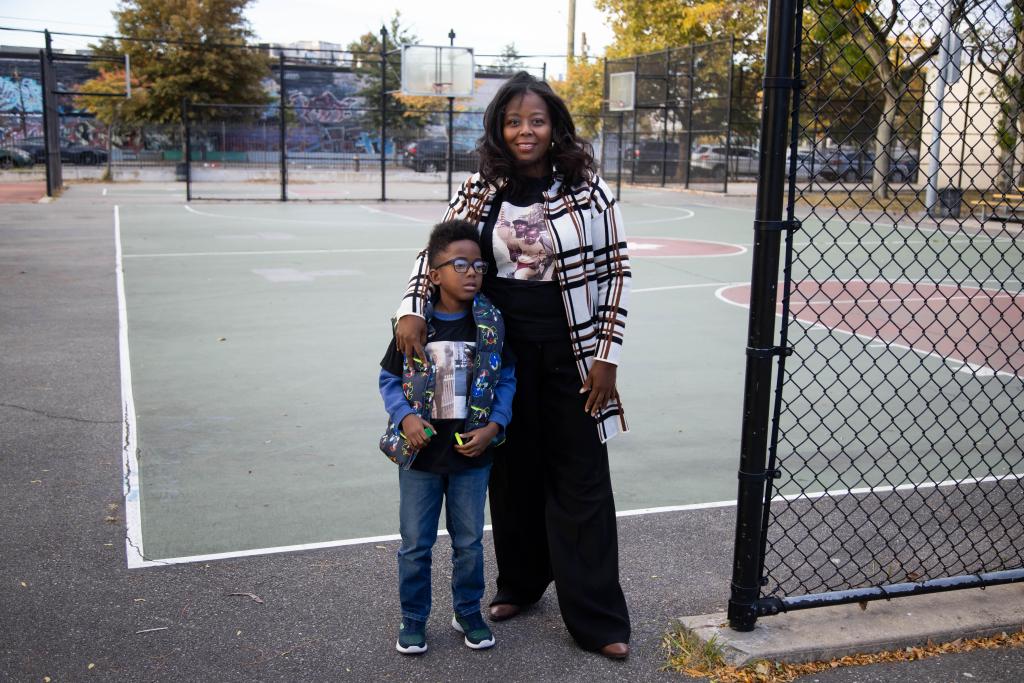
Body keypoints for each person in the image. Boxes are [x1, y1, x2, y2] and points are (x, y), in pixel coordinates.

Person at [393, 71, 632, 659]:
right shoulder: (481, 187)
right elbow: (436, 253)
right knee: (510, 471)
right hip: (497, 353)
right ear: (500, 128)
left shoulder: (588, 190)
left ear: (555, 128)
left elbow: (616, 273)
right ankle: (522, 584)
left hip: (571, 351)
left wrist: (607, 356)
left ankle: (598, 618)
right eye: (513, 121)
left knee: (580, 476)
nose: (525, 131)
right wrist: (410, 309)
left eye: (537, 120)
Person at [378, 219, 517, 655]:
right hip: (420, 459)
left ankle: (468, 612)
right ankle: (414, 619)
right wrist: (405, 419)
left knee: (469, 543)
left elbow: (508, 378)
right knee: (416, 545)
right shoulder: (415, 327)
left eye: (478, 264)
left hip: (472, 459)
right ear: (434, 275)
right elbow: (388, 378)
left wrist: (495, 425)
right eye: (460, 264)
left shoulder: (490, 324)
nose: (472, 271)